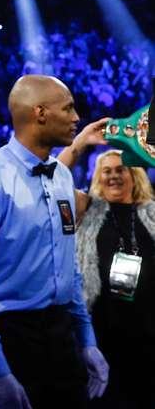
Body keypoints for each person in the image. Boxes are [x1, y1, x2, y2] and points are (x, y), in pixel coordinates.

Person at [0, 75, 109, 408]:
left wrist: (86, 339)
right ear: (40, 113)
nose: (76, 117)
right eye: (68, 108)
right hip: (9, 338)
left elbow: (70, 268)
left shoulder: (64, 176)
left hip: (61, 336)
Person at [74, 150, 155, 408]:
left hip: (148, 331)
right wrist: (81, 142)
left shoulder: (152, 213)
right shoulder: (88, 211)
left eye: (120, 169)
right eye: (106, 171)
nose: (113, 176)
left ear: (133, 174)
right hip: (102, 333)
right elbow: (57, 179)